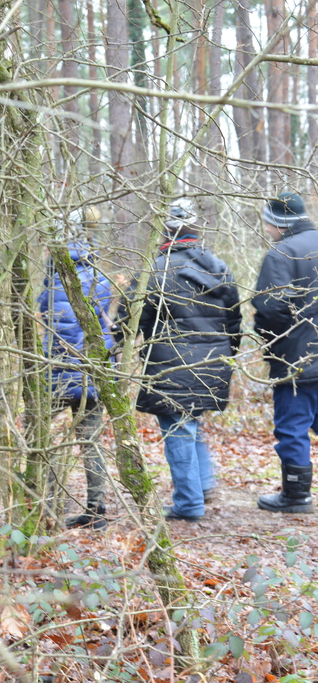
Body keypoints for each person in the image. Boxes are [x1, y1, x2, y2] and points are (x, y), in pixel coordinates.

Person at [115, 199, 240, 522]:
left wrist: (114, 344)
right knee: (189, 421)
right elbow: (234, 320)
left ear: (165, 231)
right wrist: (228, 354)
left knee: (178, 427)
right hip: (214, 359)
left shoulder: (154, 270)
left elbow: (129, 317)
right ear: (196, 229)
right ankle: (203, 485)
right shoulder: (219, 266)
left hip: (171, 363)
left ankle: (188, 503)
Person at [37, 221, 114, 530]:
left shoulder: (54, 281)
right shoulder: (100, 278)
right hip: (93, 374)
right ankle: (97, 509)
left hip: (58, 372)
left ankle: (53, 506)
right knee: (91, 441)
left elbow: (45, 313)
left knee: (49, 439)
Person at [253, 192, 318, 514]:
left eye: (269, 223)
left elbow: (270, 309)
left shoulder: (281, 253)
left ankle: (296, 496)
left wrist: (271, 346)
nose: (267, 230)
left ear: (280, 223)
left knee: (292, 427)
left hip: (296, 361)